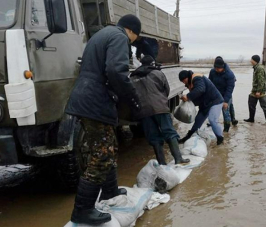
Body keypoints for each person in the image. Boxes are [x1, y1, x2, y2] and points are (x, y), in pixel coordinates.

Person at [65, 14, 142, 225]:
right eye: (135, 38)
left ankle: (109, 191)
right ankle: (82, 210)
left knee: (110, 146)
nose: (133, 43)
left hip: (88, 98)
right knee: (102, 155)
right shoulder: (120, 37)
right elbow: (116, 71)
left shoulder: (102, 34)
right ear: (132, 31)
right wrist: (133, 100)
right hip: (94, 102)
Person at [131, 55, 190, 165]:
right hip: (160, 108)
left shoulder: (132, 77)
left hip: (143, 111)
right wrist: (161, 101)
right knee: (169, 132)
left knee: (153, 137)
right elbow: (166, 90)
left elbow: (131, 94)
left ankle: (162, 164)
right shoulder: (157, 73)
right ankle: (178, 159)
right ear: (152, 63)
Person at [178, 70, 224, 145]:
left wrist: (188, 96)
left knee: (212, 120)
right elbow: (197, 96)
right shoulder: (190, 82)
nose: (184, 83)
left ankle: (220, 139)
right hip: (205, 103)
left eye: (184, 80)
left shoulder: (197, 78)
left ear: (187, 77)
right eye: (182, 81)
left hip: (215, 101)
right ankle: (188, 137)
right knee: (198, 120)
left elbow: (200, 90)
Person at [209, 56, 236, 132]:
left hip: (226, 95)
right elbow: (210, 83)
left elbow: (230, 88)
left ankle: (226, 130)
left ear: (223, 67)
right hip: (216, 95)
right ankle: (213, 123)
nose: (217, 70)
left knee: (226, 110)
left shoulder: (229, 74)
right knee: (213, 109)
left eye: (218, 68)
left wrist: (226, 101)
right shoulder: (212, 72)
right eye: (215, 68)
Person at [244, 55, 266, 124]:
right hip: (254, 90)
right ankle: (251, 119)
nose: (250, 61)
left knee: (264, 106)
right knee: (251, 102)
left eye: (251, 59)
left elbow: (261, 81)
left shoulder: (259, 68)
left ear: (254, 60)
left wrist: (259, 91)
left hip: (260, 91)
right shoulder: (256, 68)